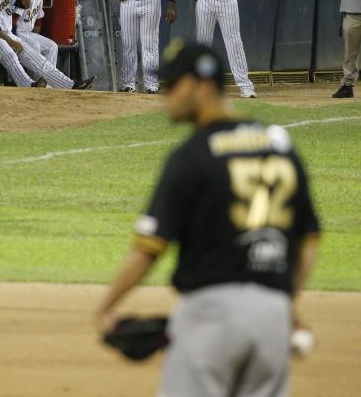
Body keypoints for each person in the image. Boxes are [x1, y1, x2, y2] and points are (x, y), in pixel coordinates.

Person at [95, 40, 321, 397]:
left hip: (211, 317)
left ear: (201, 86)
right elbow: (308, 238)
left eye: (173, 86)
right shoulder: (279, 146)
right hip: (273, 318)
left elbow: (149, 248)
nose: (165, 96)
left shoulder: (192, 155)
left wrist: (107, 306)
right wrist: (284, 303)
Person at [14, 0, 59, 66]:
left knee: (52, 46)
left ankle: (47, 80)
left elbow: (38, 21)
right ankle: (34, 81)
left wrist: (35, 37)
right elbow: (13, 18)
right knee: (35, 45)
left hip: (28, 33)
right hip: (16, 32)